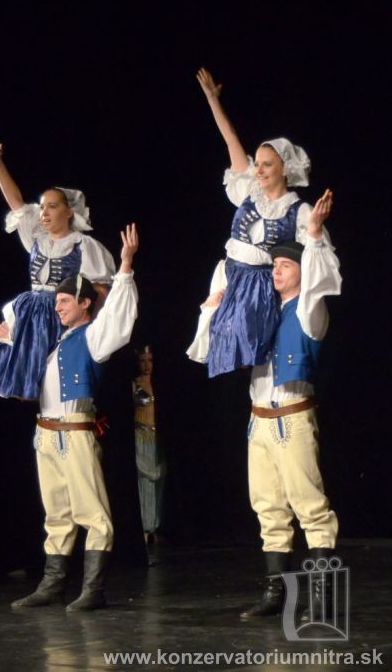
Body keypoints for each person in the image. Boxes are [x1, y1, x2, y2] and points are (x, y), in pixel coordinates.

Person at [9, 223, 138, 612]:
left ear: (85, 304)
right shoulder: (56, 342)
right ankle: (53, 585)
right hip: (46, 435)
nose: (58, 307)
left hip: (75, 433)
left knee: (92, 511)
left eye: (65, 301)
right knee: (57, 513)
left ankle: (93, 589)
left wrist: (125, 267)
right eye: (58, 301)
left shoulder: (94, 338)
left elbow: (118, 317)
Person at [187, 68, 330, 378]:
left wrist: (316, 232)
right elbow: (231, 140)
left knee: (255, 356)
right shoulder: (249, 192)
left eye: (267, 165)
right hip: (230, 275)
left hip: (259, 286)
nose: (259, 170)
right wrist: (213, 100)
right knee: (215, 337)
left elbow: (315, 257)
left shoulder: (298, 211)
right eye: (259, 164)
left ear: (285, 169)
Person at [238, 195, 341, 619]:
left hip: (292, 416)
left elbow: (318, 280)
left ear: (302, 270)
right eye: (274, 265)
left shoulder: (310, 310)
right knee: (268, 508)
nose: (276, 271)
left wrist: (313, 235)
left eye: (285, 265)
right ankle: (276, 593)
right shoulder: (264, 311)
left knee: (310, 506)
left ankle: (321, 597)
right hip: (259, 420)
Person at [0, 136, 115, 401]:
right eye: (42, 207)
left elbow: (100, 290)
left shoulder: (83, 245)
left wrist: (88, 328)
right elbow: (16, 202)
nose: (45, 212)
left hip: (59, 315)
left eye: (52, 206)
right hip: (29, 314)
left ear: (69, 212)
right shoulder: (37, 239)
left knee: (57, 383)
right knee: (22, 376)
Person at [133, 345, 167, 546]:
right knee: (144, 482)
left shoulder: (158, 384)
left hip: (156, 438)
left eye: (150, 361)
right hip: (141, 436)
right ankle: (145, 527)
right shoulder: (134, 385)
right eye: (143, 361)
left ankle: (155, 525)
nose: (147, 365)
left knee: (158, 481)